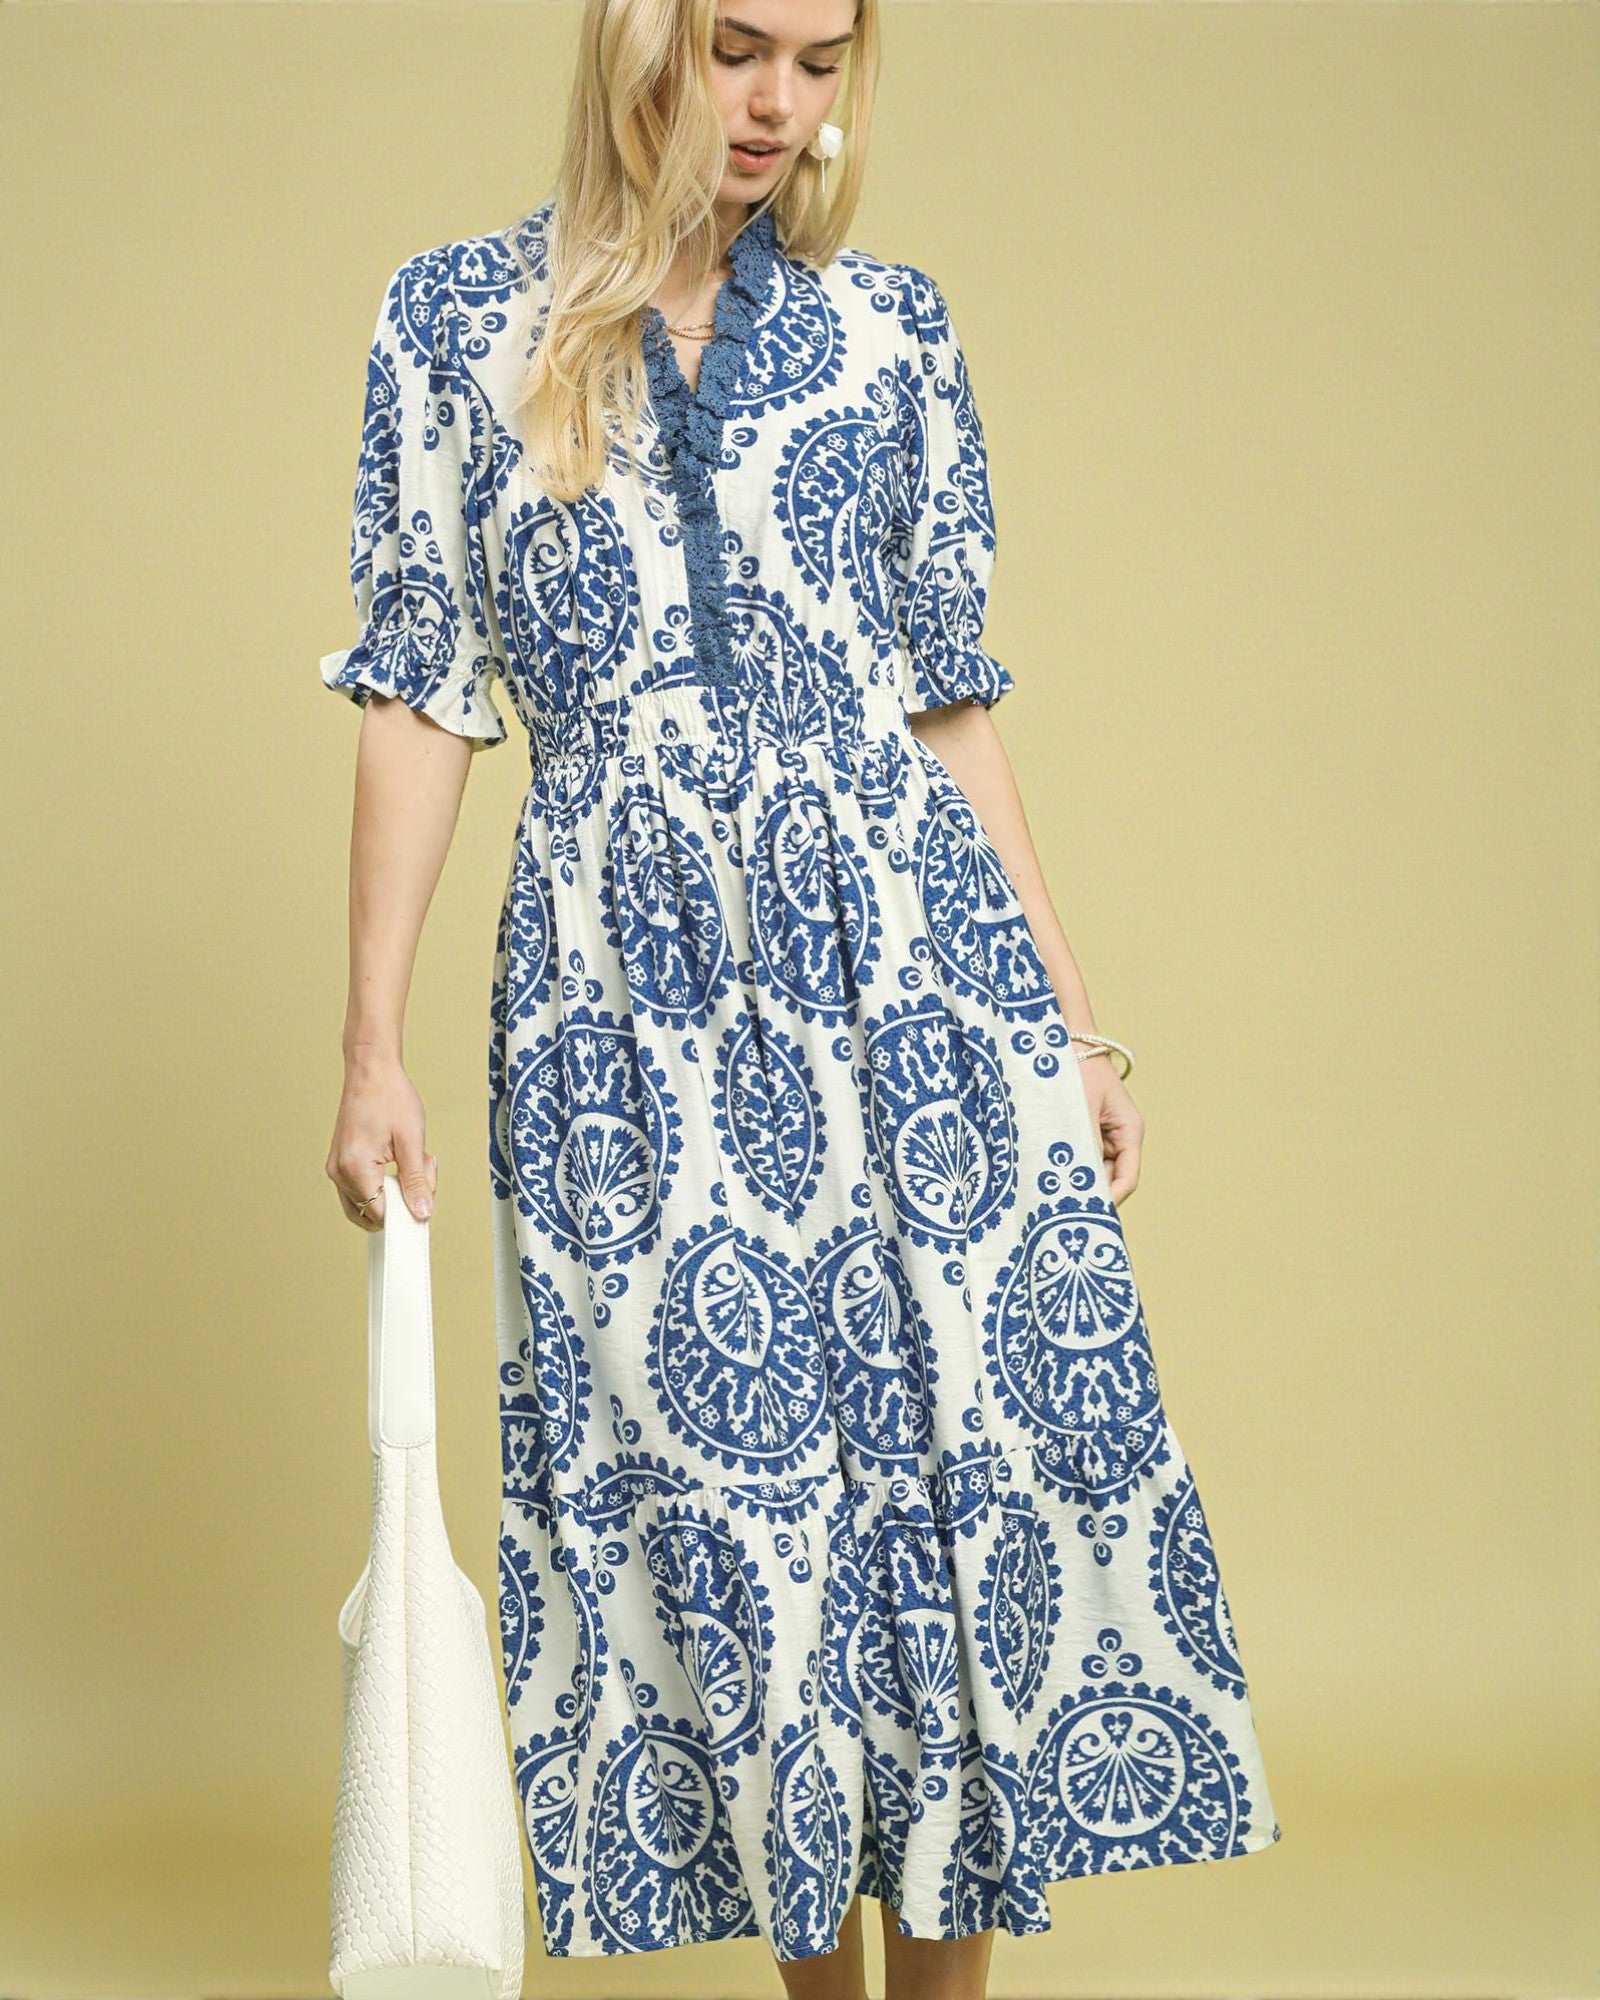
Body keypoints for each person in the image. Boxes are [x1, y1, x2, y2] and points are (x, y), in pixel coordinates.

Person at [319, 0, 1282, 1990]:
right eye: (736, 47)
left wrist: (1065, 1015)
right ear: (637, 46)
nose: (777, 102)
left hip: (908, 990)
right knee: (731, 1526)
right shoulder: (455, 327)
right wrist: (367, 1046)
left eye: (822, 60)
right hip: (619, 1010)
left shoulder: (889, 333)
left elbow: (948, 703)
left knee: (951, 1516)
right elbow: (420, 694)